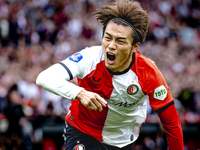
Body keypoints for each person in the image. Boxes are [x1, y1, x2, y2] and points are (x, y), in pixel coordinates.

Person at [36, 0, 183, 149]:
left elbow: (172, 124)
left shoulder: (149, 73)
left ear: (135, 46)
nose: (111, 46)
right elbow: (44, 78)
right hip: (82, 132)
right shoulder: (89, 58)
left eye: (120, 41)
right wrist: (79, 93)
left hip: (122, 142)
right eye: (108, 37)